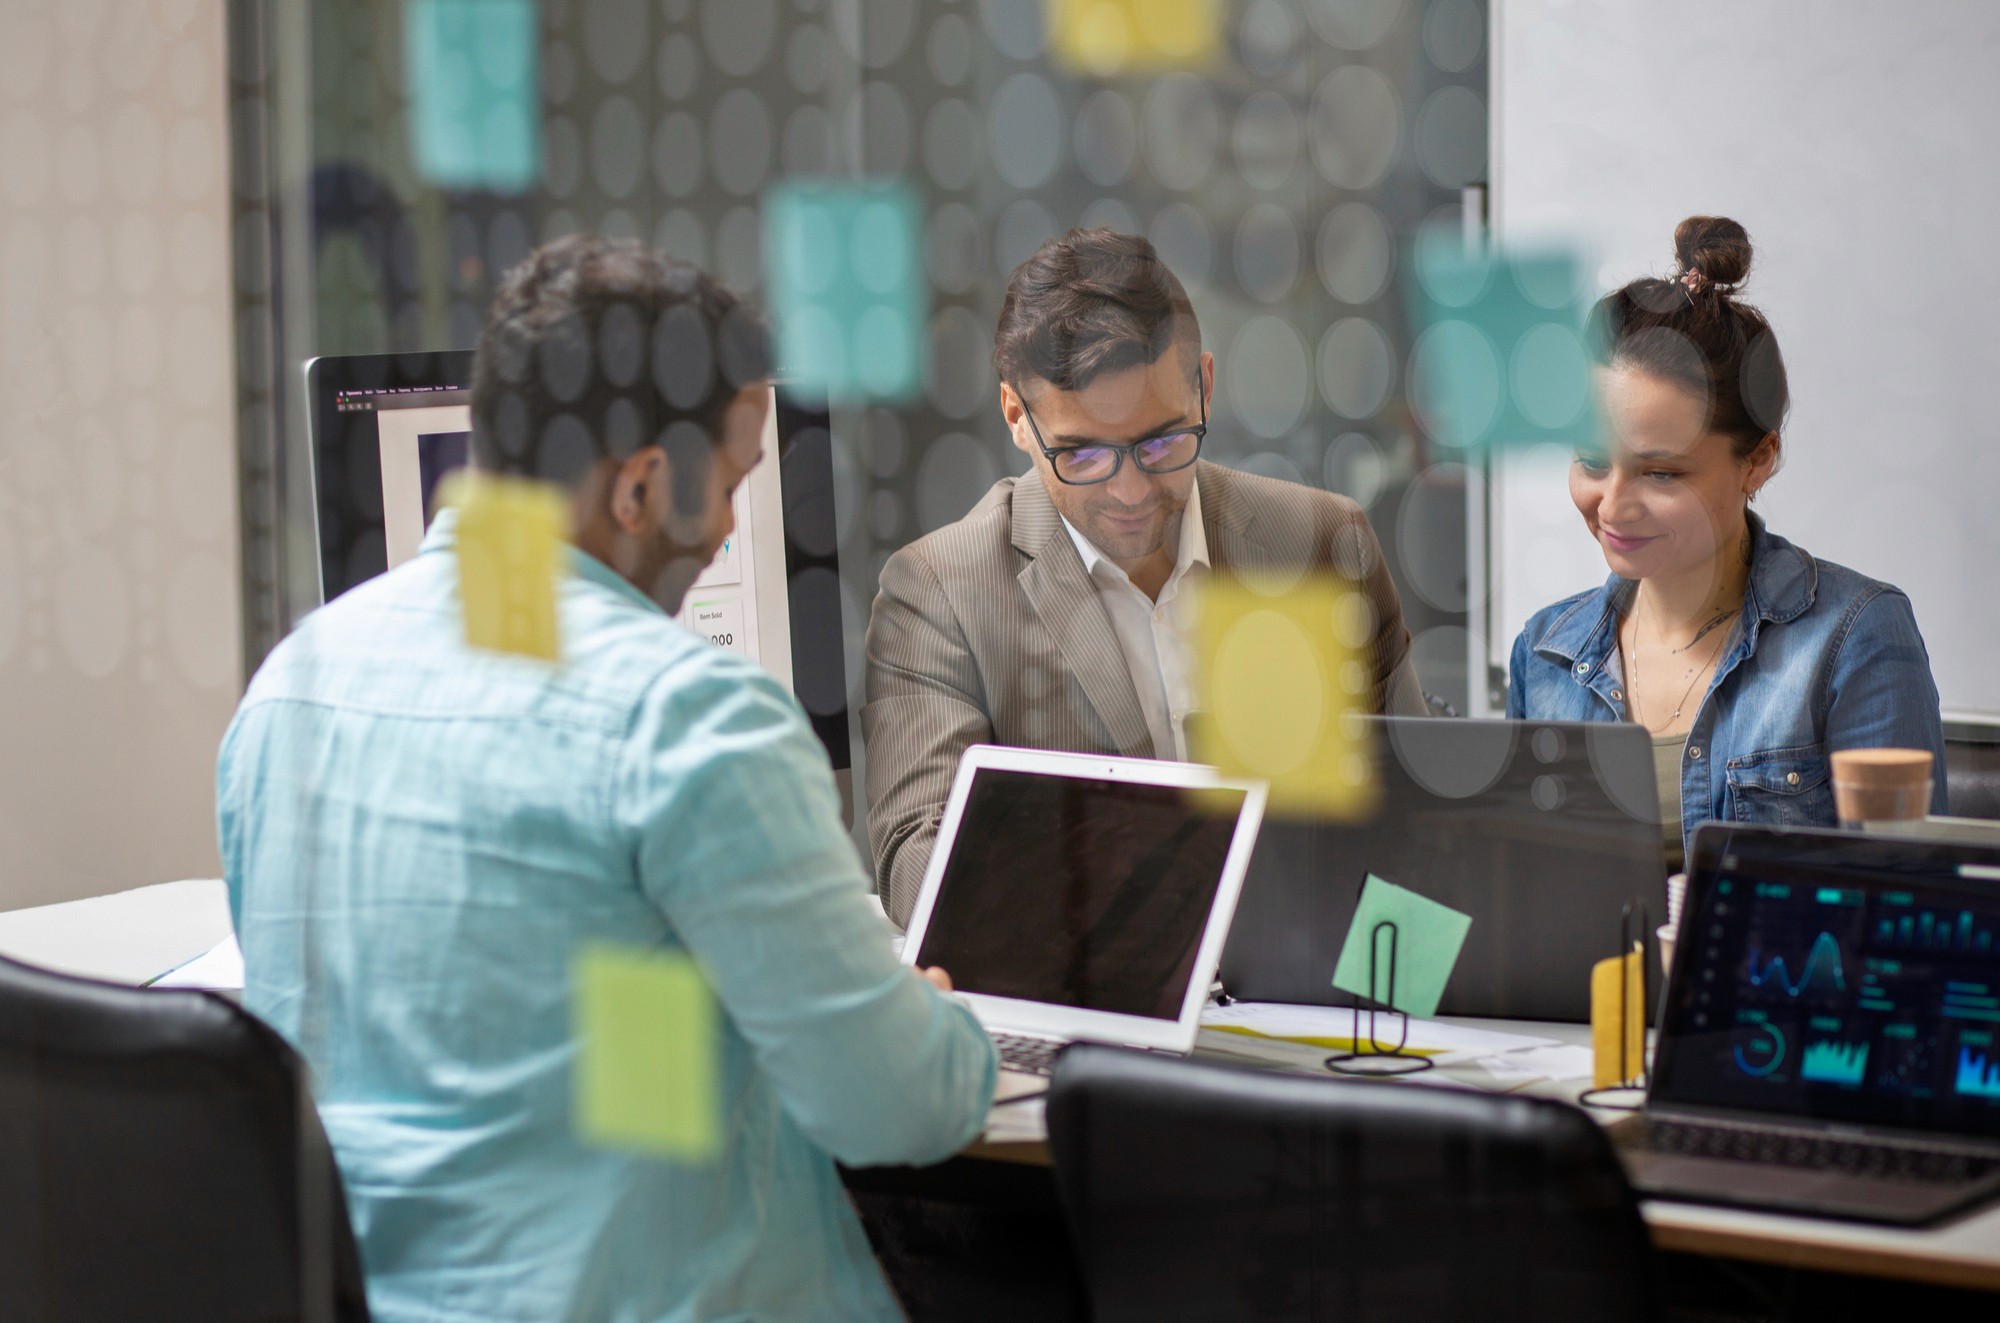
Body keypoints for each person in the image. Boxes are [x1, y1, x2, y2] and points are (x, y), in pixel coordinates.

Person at [218, 237, 996, 1323]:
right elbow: (895, 1114)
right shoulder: (688, 715)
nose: (731, 524)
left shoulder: (288, 693)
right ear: (638, 488)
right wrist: (919, 1021)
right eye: (729, 484)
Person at [865, 228, 1424, 927]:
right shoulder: (942, 594)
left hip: (1314, 1011)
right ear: (1016, 416)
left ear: (1206, 387)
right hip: (1092, 1009)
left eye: (1162, 441)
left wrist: (1404, 1011)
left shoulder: (1319, 546)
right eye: (1082, 454)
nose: (1129, 491)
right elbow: (921, 871)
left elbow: (1421, 837)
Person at [1507, 216, 1945, 871]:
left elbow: (1895, 918)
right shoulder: (1542, 656)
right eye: (1592, 460)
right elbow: (1517, 901)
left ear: (1758, 460)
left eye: (1662, 471)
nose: (1614, 504)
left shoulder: (1854, 637)